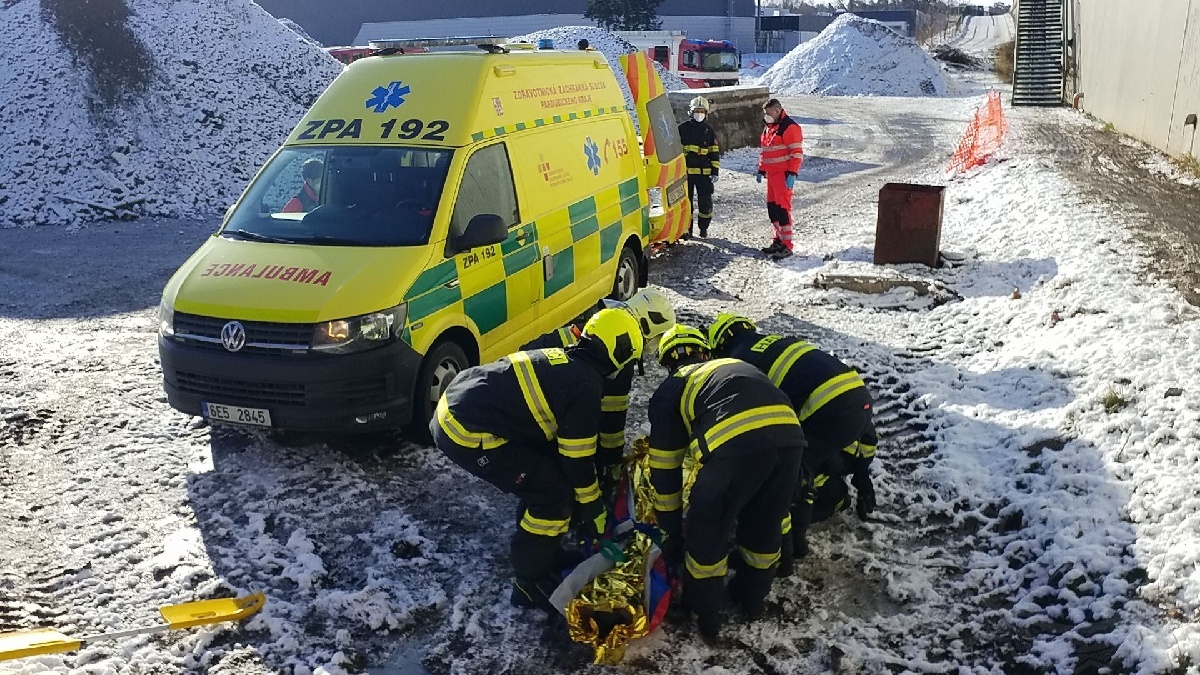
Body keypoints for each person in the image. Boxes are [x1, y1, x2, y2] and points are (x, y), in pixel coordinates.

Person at [430, 309, 644, 610]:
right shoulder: (585, 387)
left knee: (545, 477)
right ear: (620, 354)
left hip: (459, 405)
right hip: (465, 431)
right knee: (553, 495)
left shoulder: (565, 359)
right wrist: (594, 507)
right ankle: (528, 583)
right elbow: (577, 462)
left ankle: (546, 552)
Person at [647, 325, 804, 639]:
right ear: (704, 353)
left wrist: (672, 530)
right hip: (791, 441)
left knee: (707, 529)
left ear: (667, 364)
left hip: (735, 449)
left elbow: (665, 468)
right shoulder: (737, 366)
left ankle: (705, 614)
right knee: (764, 525)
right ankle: (752, 600)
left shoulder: (673, 387)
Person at [706, 313, 877, 574]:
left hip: (825, 411)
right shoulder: (774, 341)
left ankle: (790, 549)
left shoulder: (738, 362)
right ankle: (835, 492)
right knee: (814, 457)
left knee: (785, 478)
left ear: (720, 346)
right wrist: (864, 481)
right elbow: (867, 434)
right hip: (859, 400)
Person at [520, 289, 676, 490]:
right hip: (543, 424)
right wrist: (611, 463)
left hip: (520, 402)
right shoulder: (620, 349)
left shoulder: (596, 322)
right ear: (650, 327)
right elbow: (612, 420)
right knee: (563, 488)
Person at [756, 99, 804, 260]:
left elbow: (796, 154)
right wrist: (761, 169)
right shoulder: (769, 128)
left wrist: (792, 173)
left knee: (783, 210)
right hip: (772, 176)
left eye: (769, 113)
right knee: (773, 209)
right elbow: (766, 151)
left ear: (777, 111)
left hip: (783, 176)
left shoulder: (789, 128)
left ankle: (787, 245)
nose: (766, 116)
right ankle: (778, 239)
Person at [678, 96, 721, 239]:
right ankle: (687, 230)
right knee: (686, 204)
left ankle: (703, 228)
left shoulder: (709, 131)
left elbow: (714, 152)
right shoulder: (682, 129)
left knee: (705, 204)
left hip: (704, 174)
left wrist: (715, 171)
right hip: (686, 174)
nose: (699, 114)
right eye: (697, 111)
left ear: (706, 113)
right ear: (691, 112)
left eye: (702, 111)